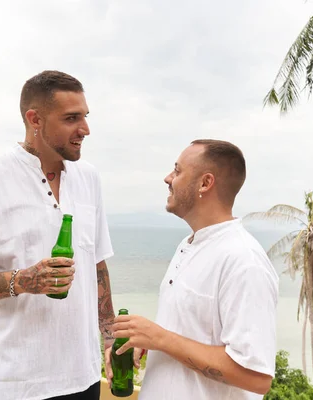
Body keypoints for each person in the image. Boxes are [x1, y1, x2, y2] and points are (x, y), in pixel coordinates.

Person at [0, 70, 116, 400]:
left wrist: (111, 337)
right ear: (36, 120)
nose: (85, 129)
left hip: (84, 380)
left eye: (85, 117)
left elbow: (97, 264)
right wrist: (23, 280)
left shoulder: (89, 179)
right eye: (72, 118)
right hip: (10, 383)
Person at [106, 139, 279, 399]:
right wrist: (149, 343)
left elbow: (255, 377)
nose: (167, 178)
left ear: (205, 183)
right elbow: (191, 335)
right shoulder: (188, 245)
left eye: (177, 171)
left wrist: (160, 338)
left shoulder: (243, 260)